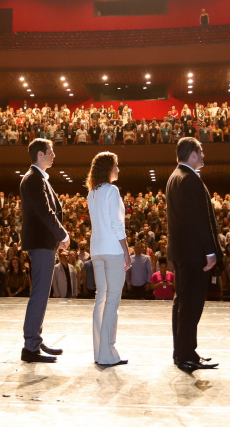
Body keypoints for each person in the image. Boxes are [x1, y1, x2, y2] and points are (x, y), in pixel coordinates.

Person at [166, 137, 223, 372]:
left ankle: (181, 351)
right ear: (192, 154)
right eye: (201, 152)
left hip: (181, 251)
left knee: (182, 302)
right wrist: (210, 251)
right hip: (193, 253)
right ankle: (187, 354)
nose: (203, 155)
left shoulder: (175, 177)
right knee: (191, 304)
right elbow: (200, 221)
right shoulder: (189, 179)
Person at [19, 138, 70, 363]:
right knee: (39, 295)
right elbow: (44, 211)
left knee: (41, 294)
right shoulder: (33, 179)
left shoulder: (38, 178)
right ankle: (30, 347)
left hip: (43, 242)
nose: (53, 155)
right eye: (50, 151)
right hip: (40, 243)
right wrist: (62, 234)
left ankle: (35, 341)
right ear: (40, 154)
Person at [86, 152, 131, 366]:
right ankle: (108, 353)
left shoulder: (92, 192)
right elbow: (117, 224)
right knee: (112, 301)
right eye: (116, 165)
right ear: (108, 168)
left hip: (96, 250)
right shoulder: (112, 191)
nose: (118, 169)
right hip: (113, 250)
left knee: (101, 301)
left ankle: (99, 353)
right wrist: (126, 251)